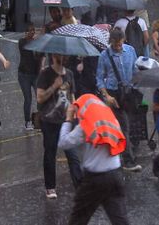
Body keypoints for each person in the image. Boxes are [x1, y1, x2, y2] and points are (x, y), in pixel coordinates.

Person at [58, 94, 129, 225]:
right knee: (120, 219)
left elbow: (63, 143)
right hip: (116, 174)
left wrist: (68, 119)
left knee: (78, 219)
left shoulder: (86, 126)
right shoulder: (110, 119)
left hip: (95, 178)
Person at [37, 53, 82, 199]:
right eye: (59, 54)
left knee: (73, 154)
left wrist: (75, 112)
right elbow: (40, 97)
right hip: (49, 121)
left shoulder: (69, 73)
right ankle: (50, 187)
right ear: (53, 56)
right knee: (50, 154)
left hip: (66, 120)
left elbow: (72, 95)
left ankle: (79, 186)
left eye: (64, 55)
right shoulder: (45, 74)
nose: (63, 57)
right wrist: (54, 86)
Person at [97, 28, 142, 172]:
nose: (118, 47)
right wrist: (107, 96)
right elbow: (99, 78)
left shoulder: (130, 51)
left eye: (120, 44)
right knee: (124, 126)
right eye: (115, 44)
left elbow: (135, 71)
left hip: (129, 93)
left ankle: (119, 152)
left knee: (130, 124)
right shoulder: (104, 55)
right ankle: (128, 160)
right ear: (111, 42)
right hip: (114, 94)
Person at [18, 23, 43, 130]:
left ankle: (40, 119)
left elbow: (41, 56)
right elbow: (28, 49)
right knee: (28, 98)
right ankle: (27, 121)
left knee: (40, 97)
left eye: (33, 30)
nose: (32, 32)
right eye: (30, 30)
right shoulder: (22, 42)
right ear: (26, 32)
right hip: (24, 74)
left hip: (35, 74)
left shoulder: (38, 43)